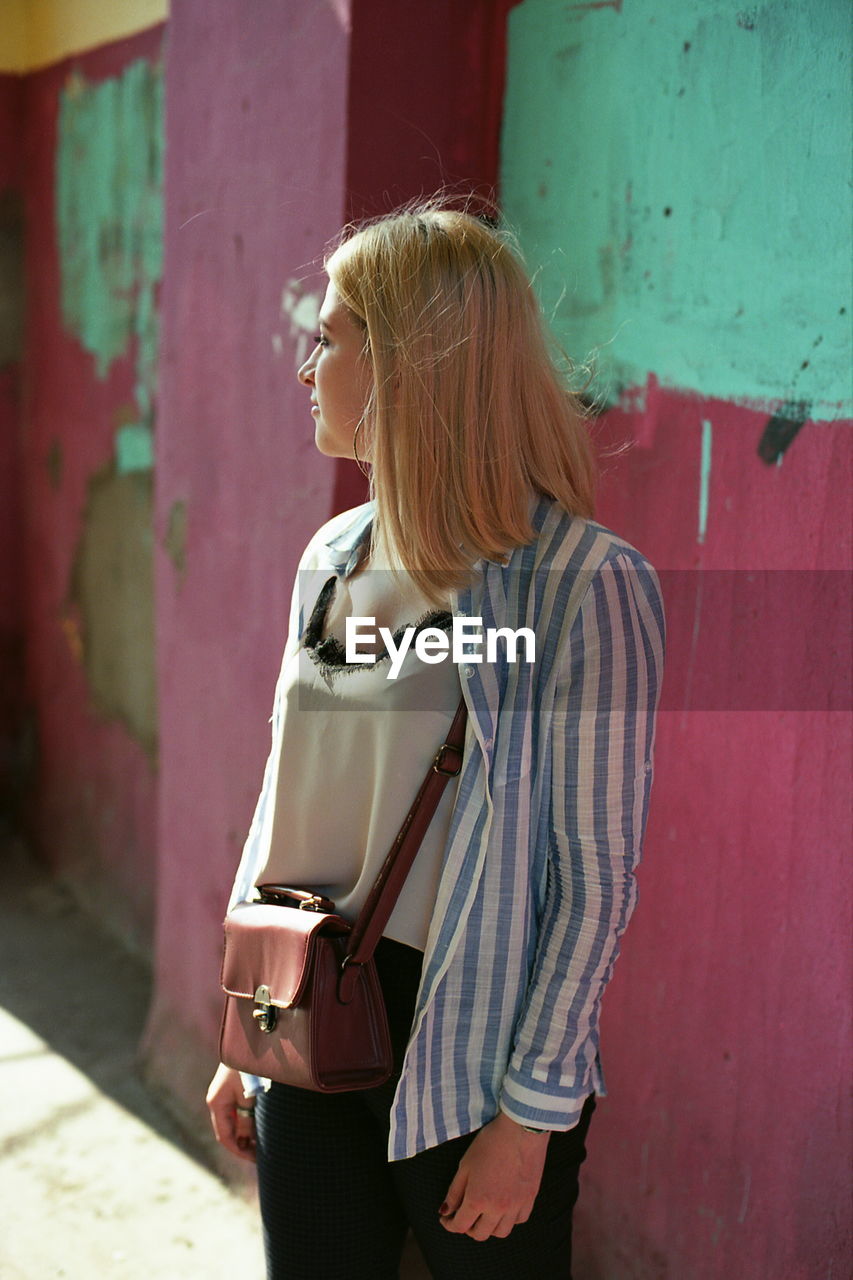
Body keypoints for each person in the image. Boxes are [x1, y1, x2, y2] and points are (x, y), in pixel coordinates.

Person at [206, 201, 665, 1279]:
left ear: (409, 363)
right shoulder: (333, 555)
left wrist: (531, 1116)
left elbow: (593, 877)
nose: (306, 365)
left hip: (476, 1045)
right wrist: (242, 1029)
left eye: (331, 336)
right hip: (312, 1013)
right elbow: (287, 793)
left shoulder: (582, 586)